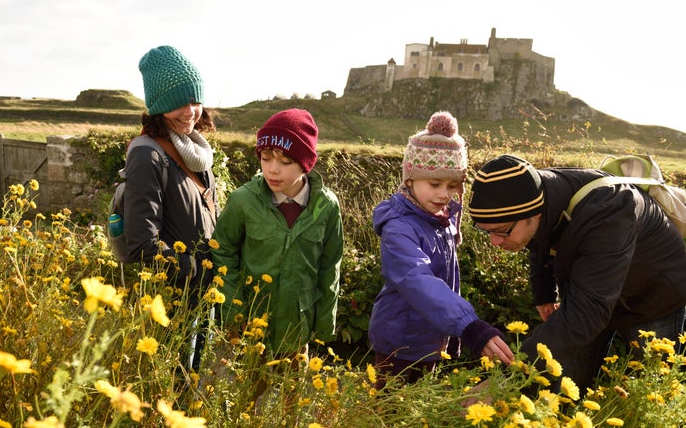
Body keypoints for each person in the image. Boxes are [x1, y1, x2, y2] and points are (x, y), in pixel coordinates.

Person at [468, 154, 686, 392]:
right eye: (485, 230)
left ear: (535, 213)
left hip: (653, 297)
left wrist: (509, 378)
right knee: (564, 385)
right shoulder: (534, 193)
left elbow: (586, 312)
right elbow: (538, 240)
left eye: (501, 231)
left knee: (654, 388)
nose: (494, 242)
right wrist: (544, 293)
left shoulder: (609, 212)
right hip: (593, 289)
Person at [368, 111, 514, 390]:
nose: (444, 194)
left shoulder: (441, 220)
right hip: (398, 343)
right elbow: (417, 279)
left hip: (430, 340)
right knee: (387, 412)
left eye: (452, 185)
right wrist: (468, 326)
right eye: (434, 184)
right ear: (409, 179)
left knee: (419, 411)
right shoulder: (399, 227)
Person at [211, 109, 343, 395]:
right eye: (265, 158)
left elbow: (330, 265)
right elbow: (222, 251)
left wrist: (323, 320)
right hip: (251, 322)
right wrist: (233, 309)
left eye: (285, 161)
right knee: (247, 397)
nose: (272, 169)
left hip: (298, 324)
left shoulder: (327, 207)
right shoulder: (243, 200)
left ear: (306, 163)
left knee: (291, 402)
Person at [124, 45, 219, 371]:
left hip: (203, 293)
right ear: (158, 106)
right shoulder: (146, 154)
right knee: (173, 385)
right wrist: (196, 271)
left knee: (194, 379)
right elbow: (142, 243)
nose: (190, 111)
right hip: (174, 299)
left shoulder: (197, 150)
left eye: (195, 100)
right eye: (179, 103)